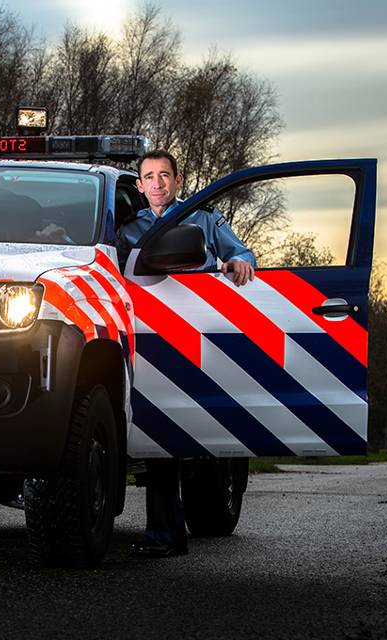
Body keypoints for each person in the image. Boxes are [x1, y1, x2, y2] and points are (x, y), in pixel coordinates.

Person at [120, 149, 256, 558]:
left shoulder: (204, 219)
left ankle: (166, 532)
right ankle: (165, 532)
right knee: (157, 431)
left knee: (180, 430)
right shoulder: (127, 228)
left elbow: (243, 253)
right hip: (146, 335)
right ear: (139, 185)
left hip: (197, 332)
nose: (157, 183)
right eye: (149, 176)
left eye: (165, 175)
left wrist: (237, 263)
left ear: (178, 181)